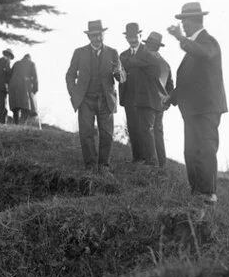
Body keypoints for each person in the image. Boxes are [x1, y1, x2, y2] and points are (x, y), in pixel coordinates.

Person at [166, 2, 227, 205]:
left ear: (194, 21)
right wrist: (171, 97)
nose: (182, 25)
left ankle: (208, 192)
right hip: (192, 110)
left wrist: (180, 39)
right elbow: (187, 81)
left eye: (184, 21)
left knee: (206, 149)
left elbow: (203, 53)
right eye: (182, 21)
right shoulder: (193, 47)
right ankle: (196, 192)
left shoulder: (209, 42)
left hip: (207, 108)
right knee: (191, 151)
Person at [65, 20, 126, 175]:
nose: (97, 39)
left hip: (106, 99)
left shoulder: (113, 52)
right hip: (85, 99)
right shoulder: (79, 52)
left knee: (107, 134)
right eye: (93, 36)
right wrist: (74, 93)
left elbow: (122, 77)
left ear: (103, 34)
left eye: (99, 35)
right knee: (86, 133)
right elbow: (70, 75)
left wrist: (118, 73)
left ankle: (104, 166)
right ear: (89, 37)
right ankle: (90, 165)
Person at [122, 32, 174, 169]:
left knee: (146, 130)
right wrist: (166, 102)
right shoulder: (166, 64)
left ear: (149, 45)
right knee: (157, 132)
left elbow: (130, 62)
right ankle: (161, 163)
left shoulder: (146, 59)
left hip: (147, 101)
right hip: (160, 104)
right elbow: (170, 87)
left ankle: (150, 162)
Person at [119, 22, 145, 163]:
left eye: (135, 36)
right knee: (133, 127)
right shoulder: (122, 56)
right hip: (129, 97)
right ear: (126, 38)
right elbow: (120, 77)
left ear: (140, 35)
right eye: (129, 37)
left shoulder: (148, 53)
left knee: (145, 128)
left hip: (145, 97)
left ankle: (149, 159)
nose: (132, 40)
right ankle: (137, 158)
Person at [8, 54, 39, 125]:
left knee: (16, 107)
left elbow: (9, 74)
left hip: (13, 86)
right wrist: (35, 89)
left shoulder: (16, 63)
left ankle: (16, 124)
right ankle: (21, 125)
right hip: (24, 86)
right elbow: (35, 77)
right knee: (26, 107)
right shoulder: (31, 63)